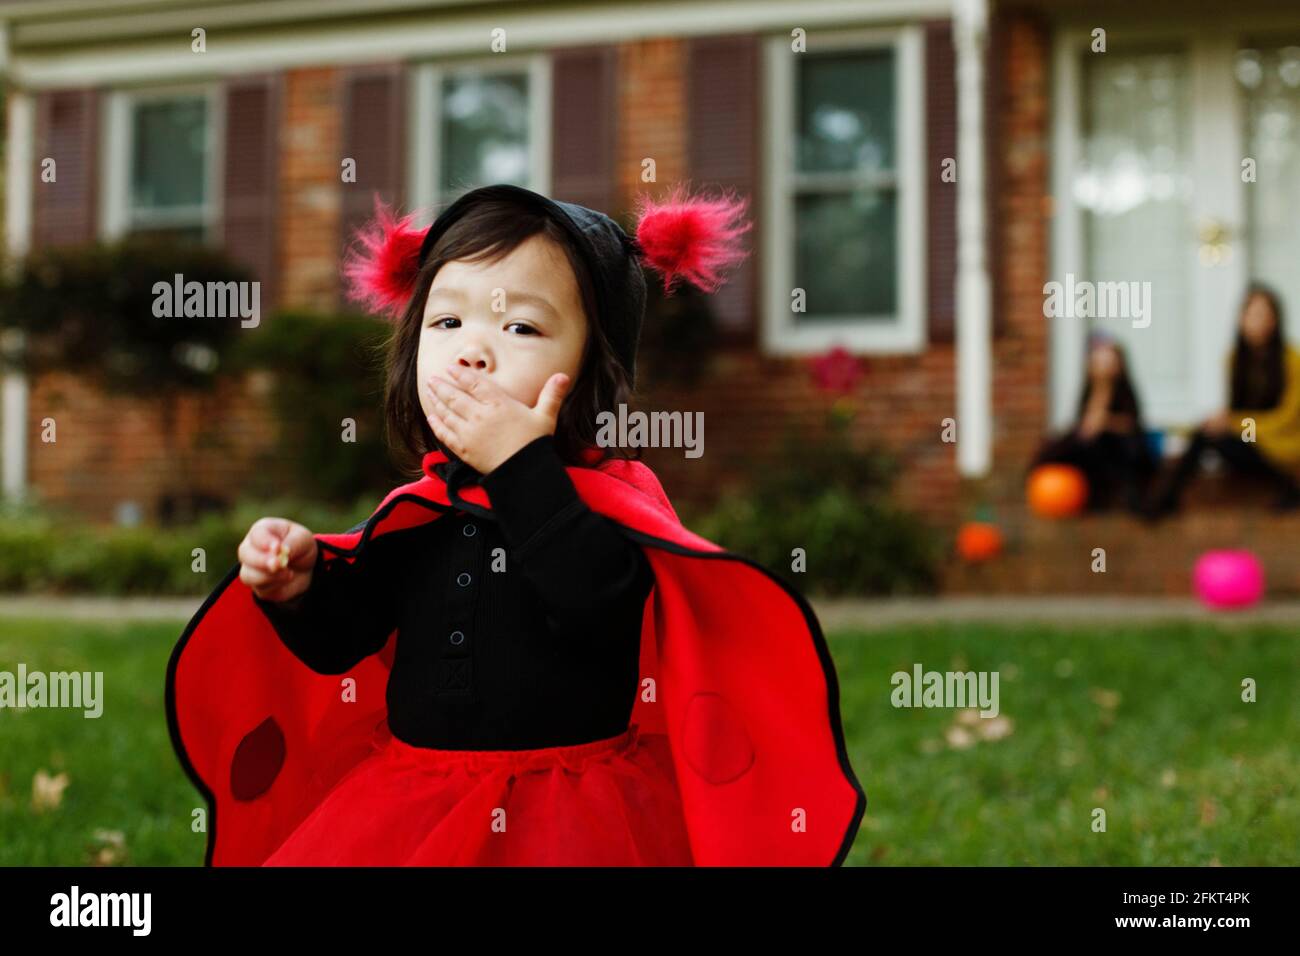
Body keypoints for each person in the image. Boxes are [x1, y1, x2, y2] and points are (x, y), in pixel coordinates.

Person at [164, 183, 866, 867]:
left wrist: (521, 469)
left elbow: (597, 604)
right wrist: (302, 585)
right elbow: (345, 639)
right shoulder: (421, 509)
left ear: (595, 370)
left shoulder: (609, 505)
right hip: (414, 803)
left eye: (521, 327)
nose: (473, 350)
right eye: (447, 322)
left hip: (570, 812)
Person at [1146, 282, 1300, 518]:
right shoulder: (1234, 359)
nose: (1258, 321)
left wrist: (1233, 422)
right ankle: (1167, 497)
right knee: (1205, 432)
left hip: (1284, 448)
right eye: (1253, 314)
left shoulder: (1292, 360)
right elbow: (1236, 410)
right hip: (1253, 444)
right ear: (1242, 318)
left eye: (1265, 315)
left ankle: (1289, 487)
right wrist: (1225, 420)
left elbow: (1288, 419)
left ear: (1275, 320)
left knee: (1214, 431)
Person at [1029, 332, 1156, 513]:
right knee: (1068, 442)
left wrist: (1105, 420)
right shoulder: (1089, 390)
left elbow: (1132, 423)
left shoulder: (1124, 390)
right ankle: (1039, 468)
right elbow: (1086, 423)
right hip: (1092, 444)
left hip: (1119, 444)